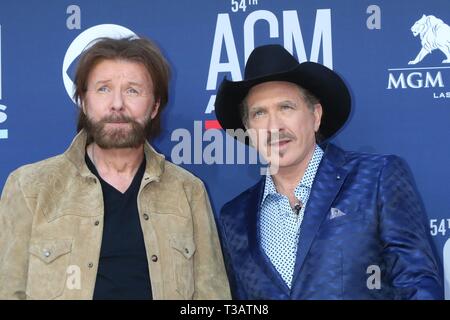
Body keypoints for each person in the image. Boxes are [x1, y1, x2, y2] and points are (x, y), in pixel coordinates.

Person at [0, 37, 230, 300]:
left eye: (133, 90)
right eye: (103, 89)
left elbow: (212, 297)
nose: (117, 104)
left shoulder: (189, 191)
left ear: (154, 106)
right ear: (84, 102)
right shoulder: (29, 188)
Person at [214, 44, 443, 299]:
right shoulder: (233, 218)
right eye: (259, 113)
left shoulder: (376, 178)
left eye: (286, 107)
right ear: (248, 129)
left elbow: (417, 284)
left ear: (316, 116)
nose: (274, 126)